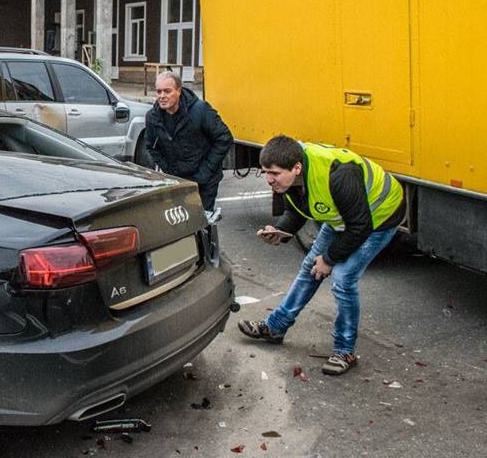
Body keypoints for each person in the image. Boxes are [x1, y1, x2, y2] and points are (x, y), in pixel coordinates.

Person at [238, 135, 406, 375]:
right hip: (344, 216)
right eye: (266, 172)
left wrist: (328, 259)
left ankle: (345, 351)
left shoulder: (339, 175)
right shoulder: (290, 175)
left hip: (379, 217)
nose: (269, 179)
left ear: (296, 168)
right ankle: (275, 327)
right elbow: (297, 210)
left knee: (343, 279)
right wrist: (280, 231)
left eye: (274, 173)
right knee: (310, 267)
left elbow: (360, 227)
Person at [144, 71, 232, 213]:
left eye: (167, 91)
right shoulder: (152, 117)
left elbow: (224, 138)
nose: (162, 96)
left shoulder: (201, 110)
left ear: (179, 91)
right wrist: (168, 170)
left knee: (201, 221)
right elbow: (151, 147)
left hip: (204, 181)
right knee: (179, 221)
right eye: (159, 91)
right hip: (177, 181)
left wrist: (206, 171)